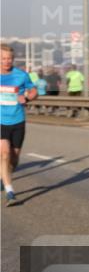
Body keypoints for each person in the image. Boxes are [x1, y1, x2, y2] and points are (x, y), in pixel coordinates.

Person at [1, 44, 38, 205]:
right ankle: (10, 191)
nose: (6, 61)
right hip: (1, 121)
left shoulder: (21, 75)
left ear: (13, 59)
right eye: (3, 58)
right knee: (4, 154)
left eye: (9, 58)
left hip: (18, 120)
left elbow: (34, 91)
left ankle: (4, 177)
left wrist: (28, 98)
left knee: (14, 159)